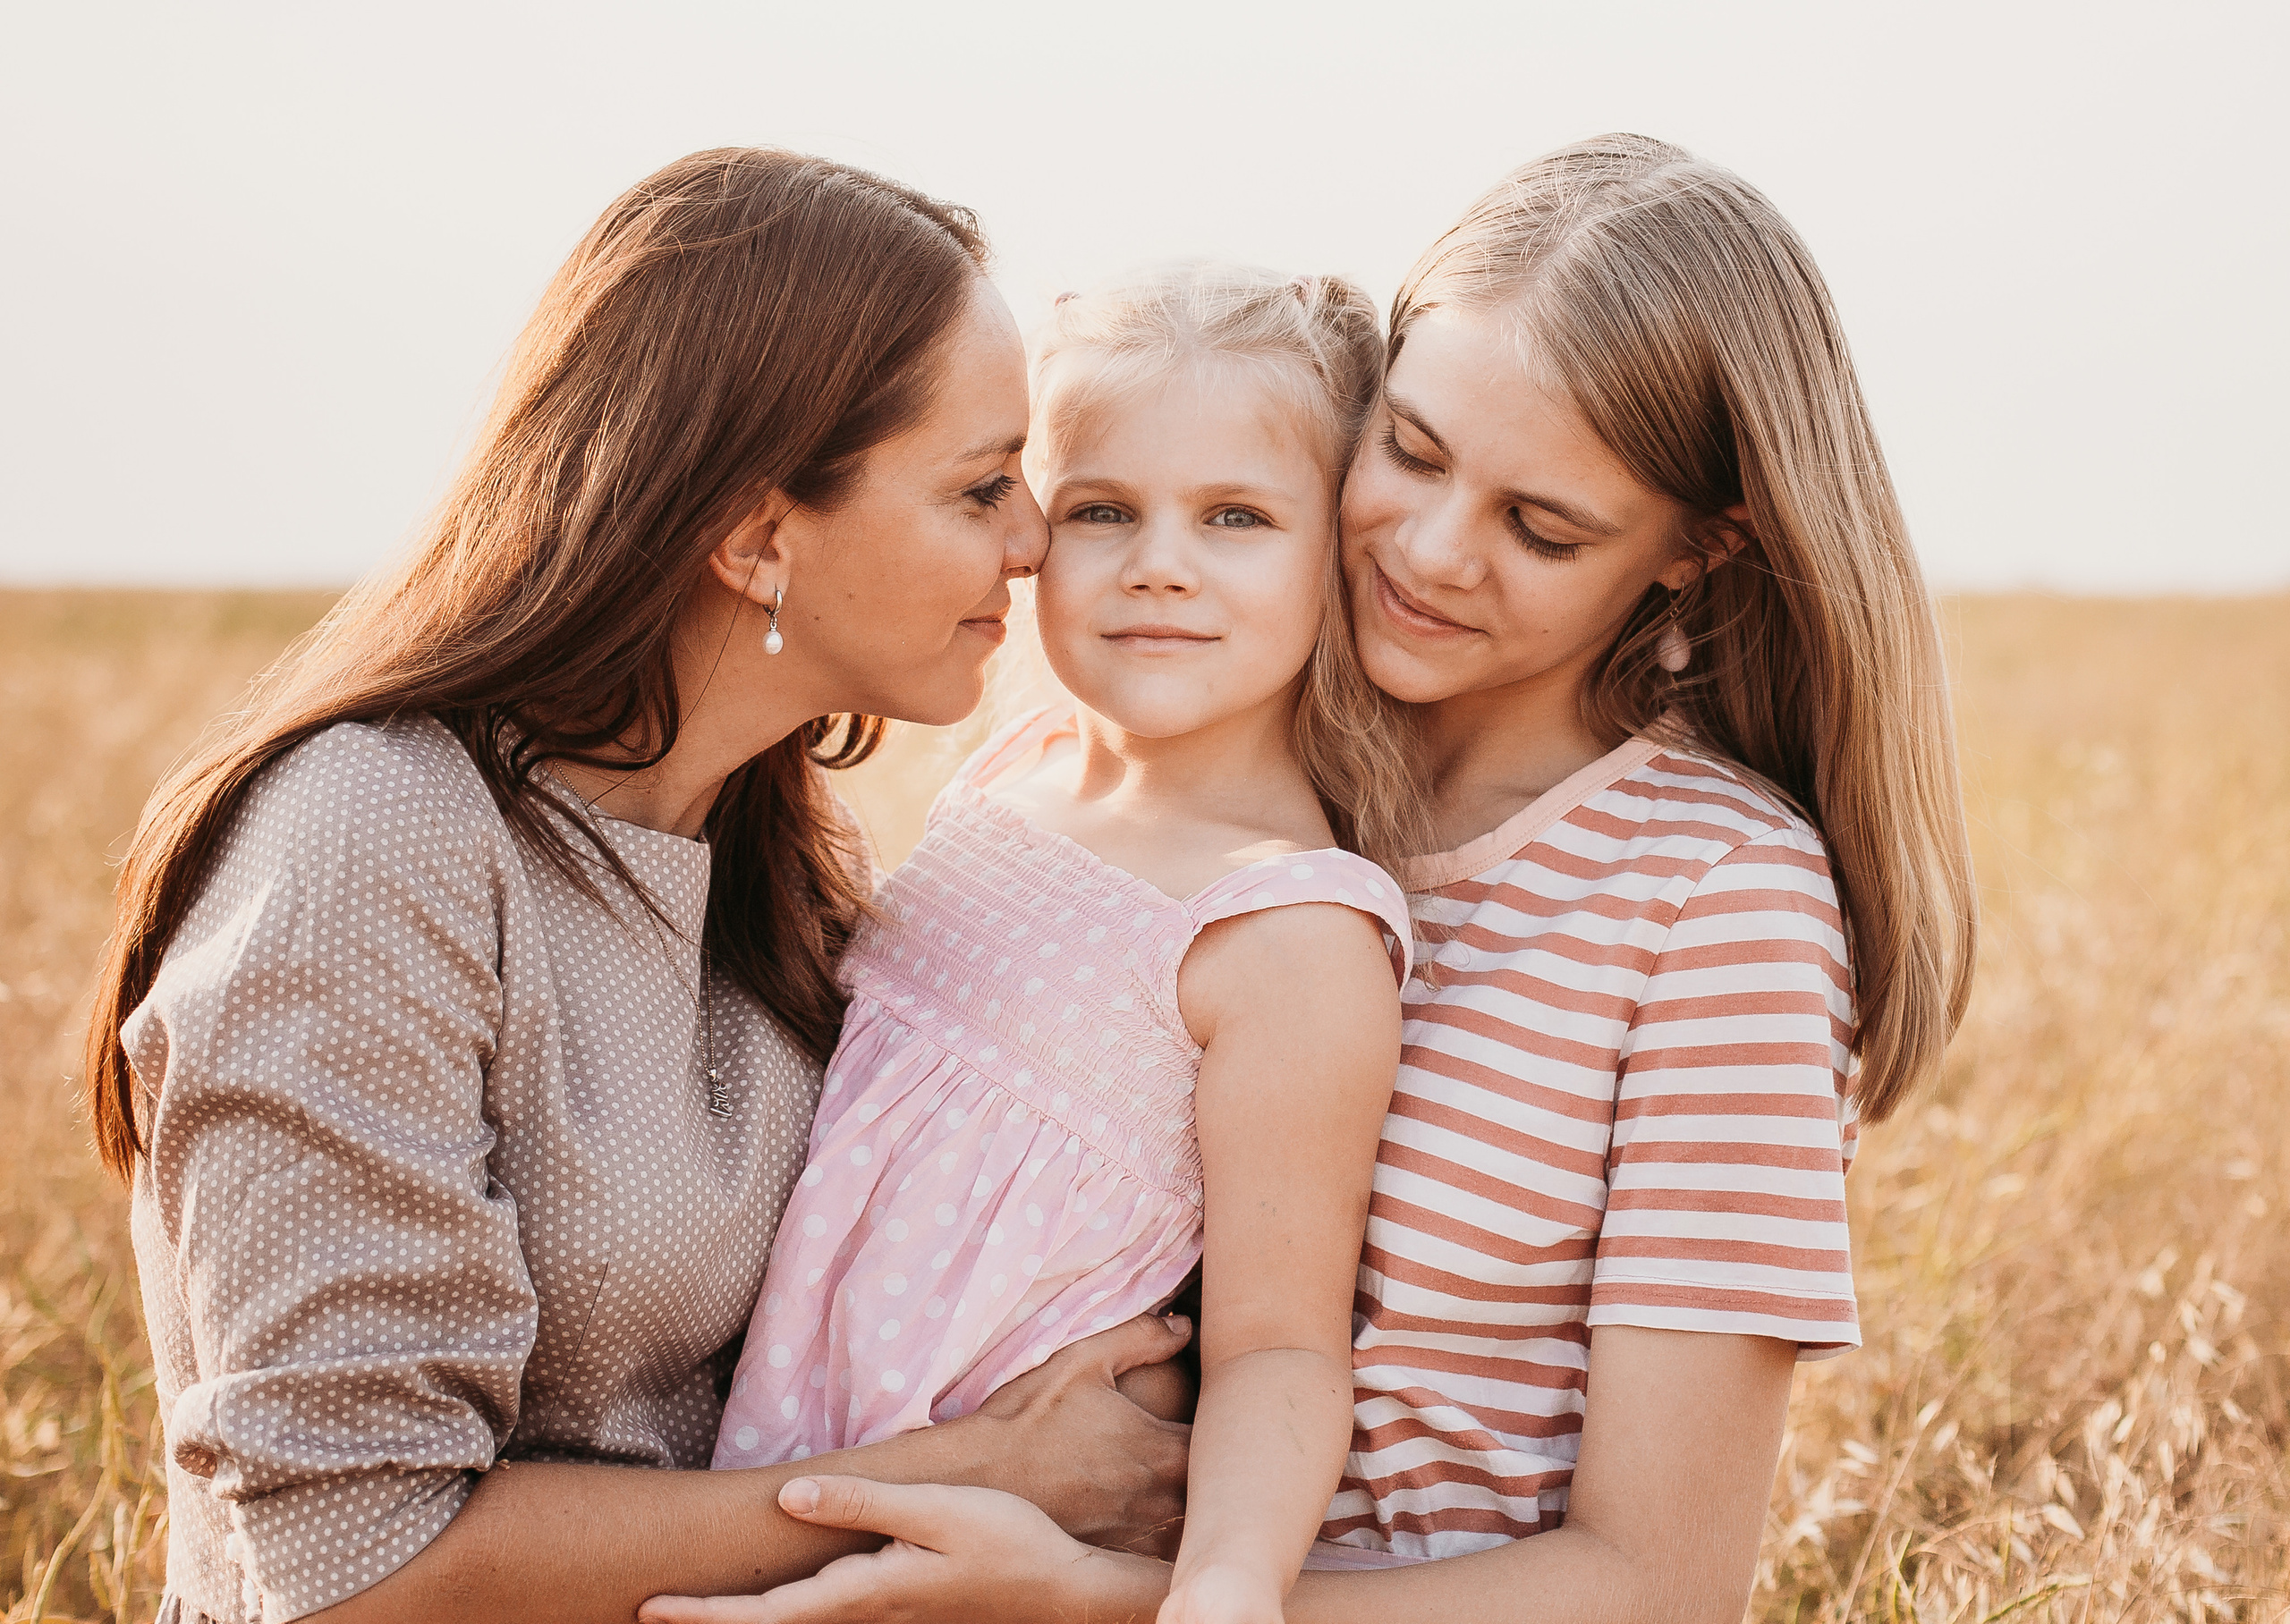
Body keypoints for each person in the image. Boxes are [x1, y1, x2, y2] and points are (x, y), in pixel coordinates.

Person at [640, 134, 1977, 1624]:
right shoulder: (1189, 761)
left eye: (1542, 528)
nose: (1433, 550)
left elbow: (1660, 1585)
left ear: (1696, 552)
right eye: (1411, 452)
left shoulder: (1720, 901)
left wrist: (1096, 1598)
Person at [85, 148, 1193, 1624]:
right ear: (755, 536)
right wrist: (981, 1479)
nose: (1035, 541)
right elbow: (359, 1571)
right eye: (982, 485)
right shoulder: (373, 838)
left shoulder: (784, 857)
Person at [703, 265, 1425, 1624]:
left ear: (1338, 554)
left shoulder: (1285, 929)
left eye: (1236, 516)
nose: (1161, 563)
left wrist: (1224, 1585)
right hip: (787, 1445)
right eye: (1102, 510)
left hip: (992, 1545)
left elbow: (1279, 1343)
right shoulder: (1006, 776)